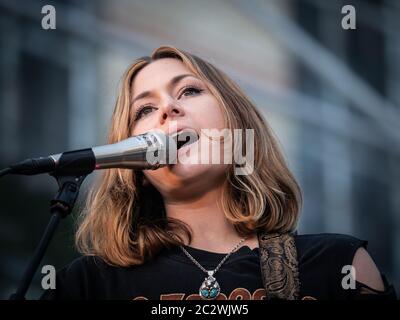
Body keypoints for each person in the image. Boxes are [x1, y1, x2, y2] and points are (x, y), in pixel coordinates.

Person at [41, 45, 396, 300]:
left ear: (236, 124)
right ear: (132, 164)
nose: (169, 109)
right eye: (144, 109)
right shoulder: (89, 284)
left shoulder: (336, 266)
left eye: (190, 90)